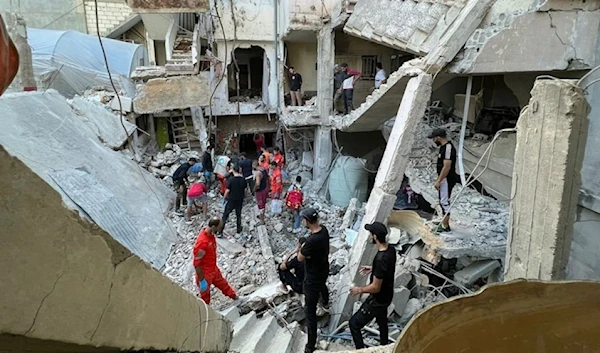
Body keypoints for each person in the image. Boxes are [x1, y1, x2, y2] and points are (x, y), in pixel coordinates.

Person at [348, 222, 396, 349]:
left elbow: (375, 287)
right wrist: (373, 269)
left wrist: (359, 289)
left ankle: (361, 351)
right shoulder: (391, 250)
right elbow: (387, 269)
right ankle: (384, 345)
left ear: (375, 236)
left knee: (354, 324)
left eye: (371, 234)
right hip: (387, 296)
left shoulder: (380, 259)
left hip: (378, 299)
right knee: (382, 322)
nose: (370, 236)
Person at [297, 208, 330, 353]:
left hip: (312, 278)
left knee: (310, 313)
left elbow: (299, 258)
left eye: (304, 219)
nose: (303, 221)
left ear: (308, 221)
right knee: (322, 286)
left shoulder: (311, 241)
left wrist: (302, 247)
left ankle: (310, 345)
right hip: (323, 270)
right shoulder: (324, 231)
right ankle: (325, 302)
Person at [193, 216, 239, 305]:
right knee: (205, 296)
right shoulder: (202, 243)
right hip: (205, 273)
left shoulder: (211, 236)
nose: (220, 229)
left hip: (213, 268)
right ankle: (205, 312)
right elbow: (196, 264)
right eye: (219, 227)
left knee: (223, 284)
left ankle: (235, 297)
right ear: (213, 227)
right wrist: (202, 280)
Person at [428, 128, 458, 232]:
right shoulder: (444, 147)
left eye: (434, 138)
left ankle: (445, 226)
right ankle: (444, 221)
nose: (433, 141)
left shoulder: (448, 148)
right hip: (444, 178)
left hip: (447, 179)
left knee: (444, 202)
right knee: (442, 200)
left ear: (438, 138)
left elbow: (447, 167)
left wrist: (439, 181)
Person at [221, 163, 246, 235]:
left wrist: (224, 198)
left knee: (225, 215)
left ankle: (220, 231)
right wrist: (245, 198)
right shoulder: (243, 179)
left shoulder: (231, 180)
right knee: (238, 215)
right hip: (240, 200)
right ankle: (239, 229)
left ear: (233, 170)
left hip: (231, 200)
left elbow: (227, 191)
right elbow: (245, 191)